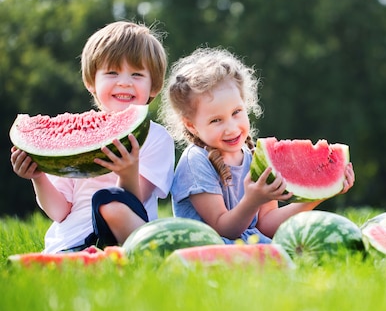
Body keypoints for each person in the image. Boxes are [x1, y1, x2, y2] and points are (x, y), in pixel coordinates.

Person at [160, 47, 355, 244]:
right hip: (214, 248)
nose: (231, 128)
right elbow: (223, 229)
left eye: (236, 112)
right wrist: (252, 201)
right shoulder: (196, 162)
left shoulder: (255, 157)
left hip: (252, 246)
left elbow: (267, 226)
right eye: (216, 120)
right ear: (191, 125)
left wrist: (318, 194)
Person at [10, 21, 175, 253]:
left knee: (109, 201)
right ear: (91, 83)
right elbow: (59, 212)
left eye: (137, 74)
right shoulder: (72, 137)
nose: (124, 82)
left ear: (154, 87)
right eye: (112, 73)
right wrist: (38, 177)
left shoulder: (156, 138)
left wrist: (128, 172)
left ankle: (123, 255)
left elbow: (132, 204)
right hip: (71, 242)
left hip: (126, 236)